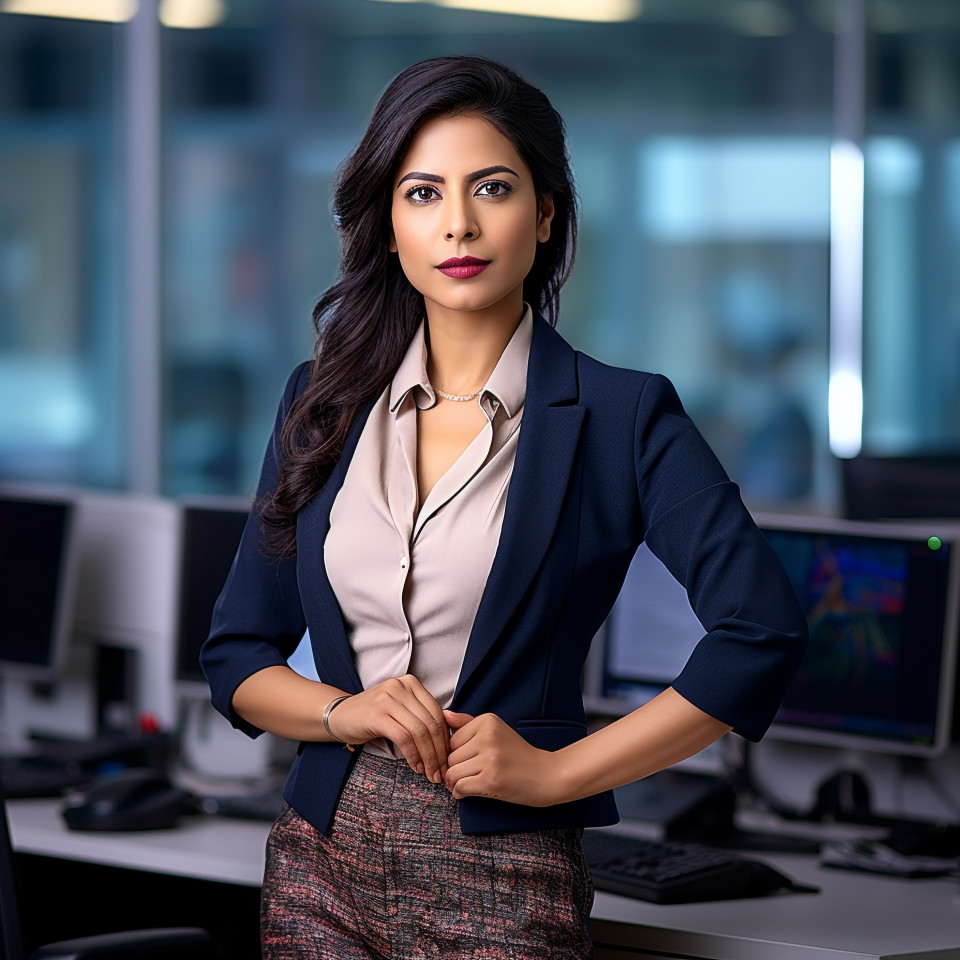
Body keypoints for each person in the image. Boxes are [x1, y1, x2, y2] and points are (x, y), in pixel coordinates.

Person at [201, 55, 808, 960]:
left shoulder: (621, 415)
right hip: (318, 862)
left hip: (504, 873)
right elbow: (237, 656)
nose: (458, 223)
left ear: (547, 211)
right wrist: (345, 712)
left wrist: (561, 769)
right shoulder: (318, 402)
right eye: (421, 193)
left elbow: (759, 629)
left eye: (492, 187)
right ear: (388, 225)